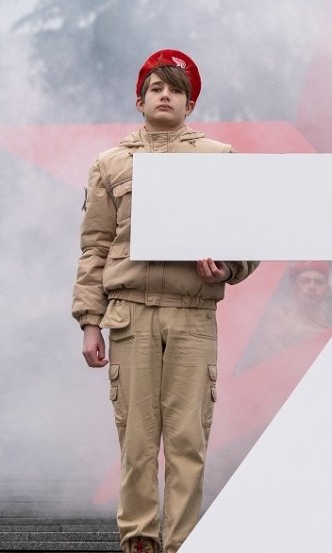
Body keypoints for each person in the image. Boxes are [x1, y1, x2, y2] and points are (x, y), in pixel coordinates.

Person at [73, 48, 257, 553]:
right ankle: (139, 540)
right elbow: (94, 246)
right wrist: (90, 322)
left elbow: (248, 235)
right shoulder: (111, 164)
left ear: (190, 103)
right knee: (136, 441)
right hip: (128, 316)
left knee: (186, 442)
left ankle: (182, 543)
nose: (165, 95)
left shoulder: (220, 160)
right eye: (156, 87)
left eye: (176, 89)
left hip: (191, 315)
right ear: (140, 99)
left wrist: (228, 266)